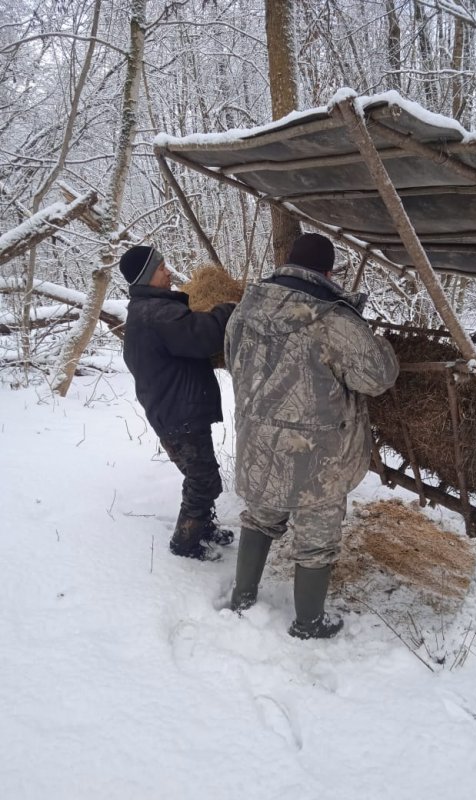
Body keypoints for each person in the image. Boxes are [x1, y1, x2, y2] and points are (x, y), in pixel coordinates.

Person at [225, 232, 399, 639]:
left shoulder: (245, 308)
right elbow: (377, 378)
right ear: (327, 272)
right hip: (317, 453)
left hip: (258, 441)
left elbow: (234, 360)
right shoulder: (336, 321)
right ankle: (308, 624)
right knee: (316, 539)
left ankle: (243, 598)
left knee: (261, 514)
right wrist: (385, 347)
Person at [119, 244, 236, 562]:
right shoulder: (157, 313)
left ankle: (203, 527)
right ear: (146, 276)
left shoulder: (148, 309)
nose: (168, 271)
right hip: (178, 414)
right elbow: (203, 335)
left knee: (205, 474)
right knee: (201, 479)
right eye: (160, 268)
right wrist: (228, 309)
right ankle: (185, 543)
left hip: (177, 409)